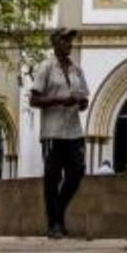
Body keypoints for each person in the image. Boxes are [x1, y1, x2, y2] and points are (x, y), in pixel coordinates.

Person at [30, 26, 90, 240]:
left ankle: (59, 211)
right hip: (53, 132)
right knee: (52, 178)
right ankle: (53, 224)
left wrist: (81, 103)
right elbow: (34, 99)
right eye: (65, 40)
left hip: (73, 131)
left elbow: (84, 98)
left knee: (78, 170)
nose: (69, 44)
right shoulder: (45, 67)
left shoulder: (77, 70)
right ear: (55, 43)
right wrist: (59, 100)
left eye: (70, 40)